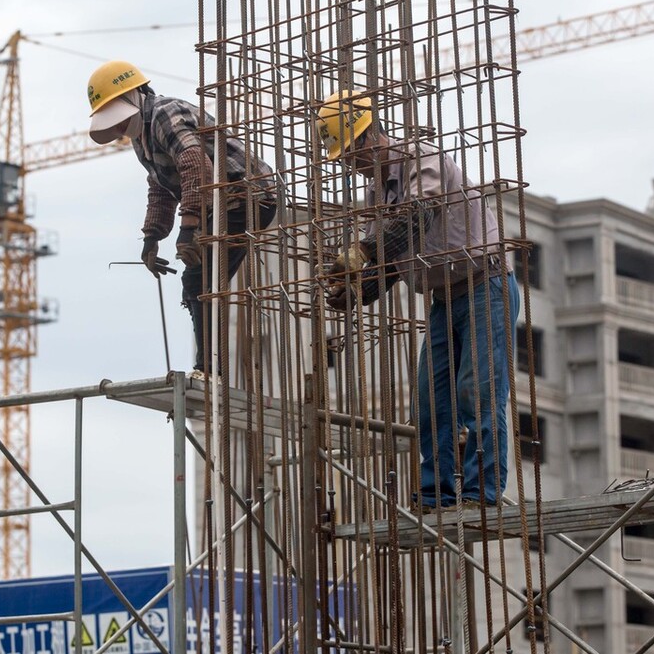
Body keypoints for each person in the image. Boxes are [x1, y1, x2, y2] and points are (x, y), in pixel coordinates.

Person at [319, 90, 519, 509]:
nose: (351, 167)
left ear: (369, 136)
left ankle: (481, 492)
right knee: (431, 398)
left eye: (351, 155)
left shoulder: (420, 158)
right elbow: (392, 256)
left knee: (477, 390)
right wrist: (358, 291)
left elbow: (418, 215)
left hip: (486, 285)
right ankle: (438, 492)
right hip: (444, 299)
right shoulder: (378, 195)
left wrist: (362, 253)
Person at [87, 60, 277, 377]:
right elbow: (161, 187)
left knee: (198, 278)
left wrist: (188, 227)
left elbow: (194, 165)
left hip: (247, 196)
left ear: (136, 96)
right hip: (220, 203)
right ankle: (209, 367)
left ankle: (209, 369)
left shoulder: (163, 113)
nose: (118, 127)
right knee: (199, 279)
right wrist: (152, 237)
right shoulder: (142, 137)